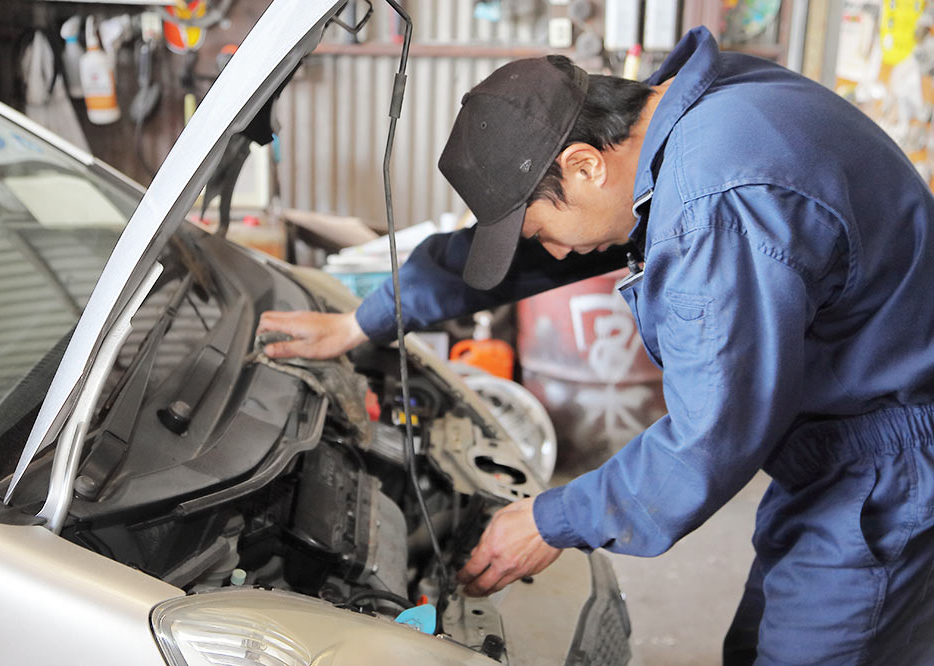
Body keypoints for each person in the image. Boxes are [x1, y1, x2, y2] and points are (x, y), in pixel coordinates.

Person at [257, 26, 934, 665]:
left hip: (887, 473)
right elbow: (533, 258)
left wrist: (550, 519)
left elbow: (709, 438)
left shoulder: (715, 205)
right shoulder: (680, 119)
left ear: (583, 165)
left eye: (543, 226)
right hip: (840, 445)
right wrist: (366, 320)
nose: (557, 252)